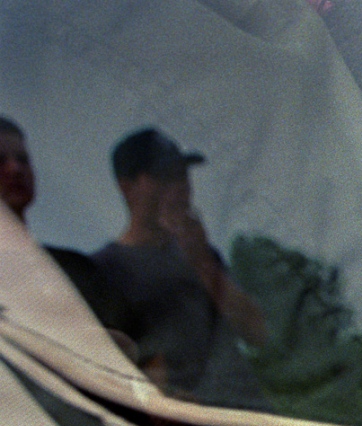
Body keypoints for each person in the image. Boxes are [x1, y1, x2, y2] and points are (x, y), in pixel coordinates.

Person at [92, 126, 266, 405]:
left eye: (183, 174)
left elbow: (257, 333)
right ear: (127, 187)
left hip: (257, 424)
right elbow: (112, 376)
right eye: (164, 177)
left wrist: (201, 261)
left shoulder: (203, 254)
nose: (180, 186)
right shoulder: (104, 271)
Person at [0, 116, 138, 346]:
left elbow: (133, 356)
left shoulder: (76, 270)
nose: (15, 168)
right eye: (0, 160)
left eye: (23, 160)